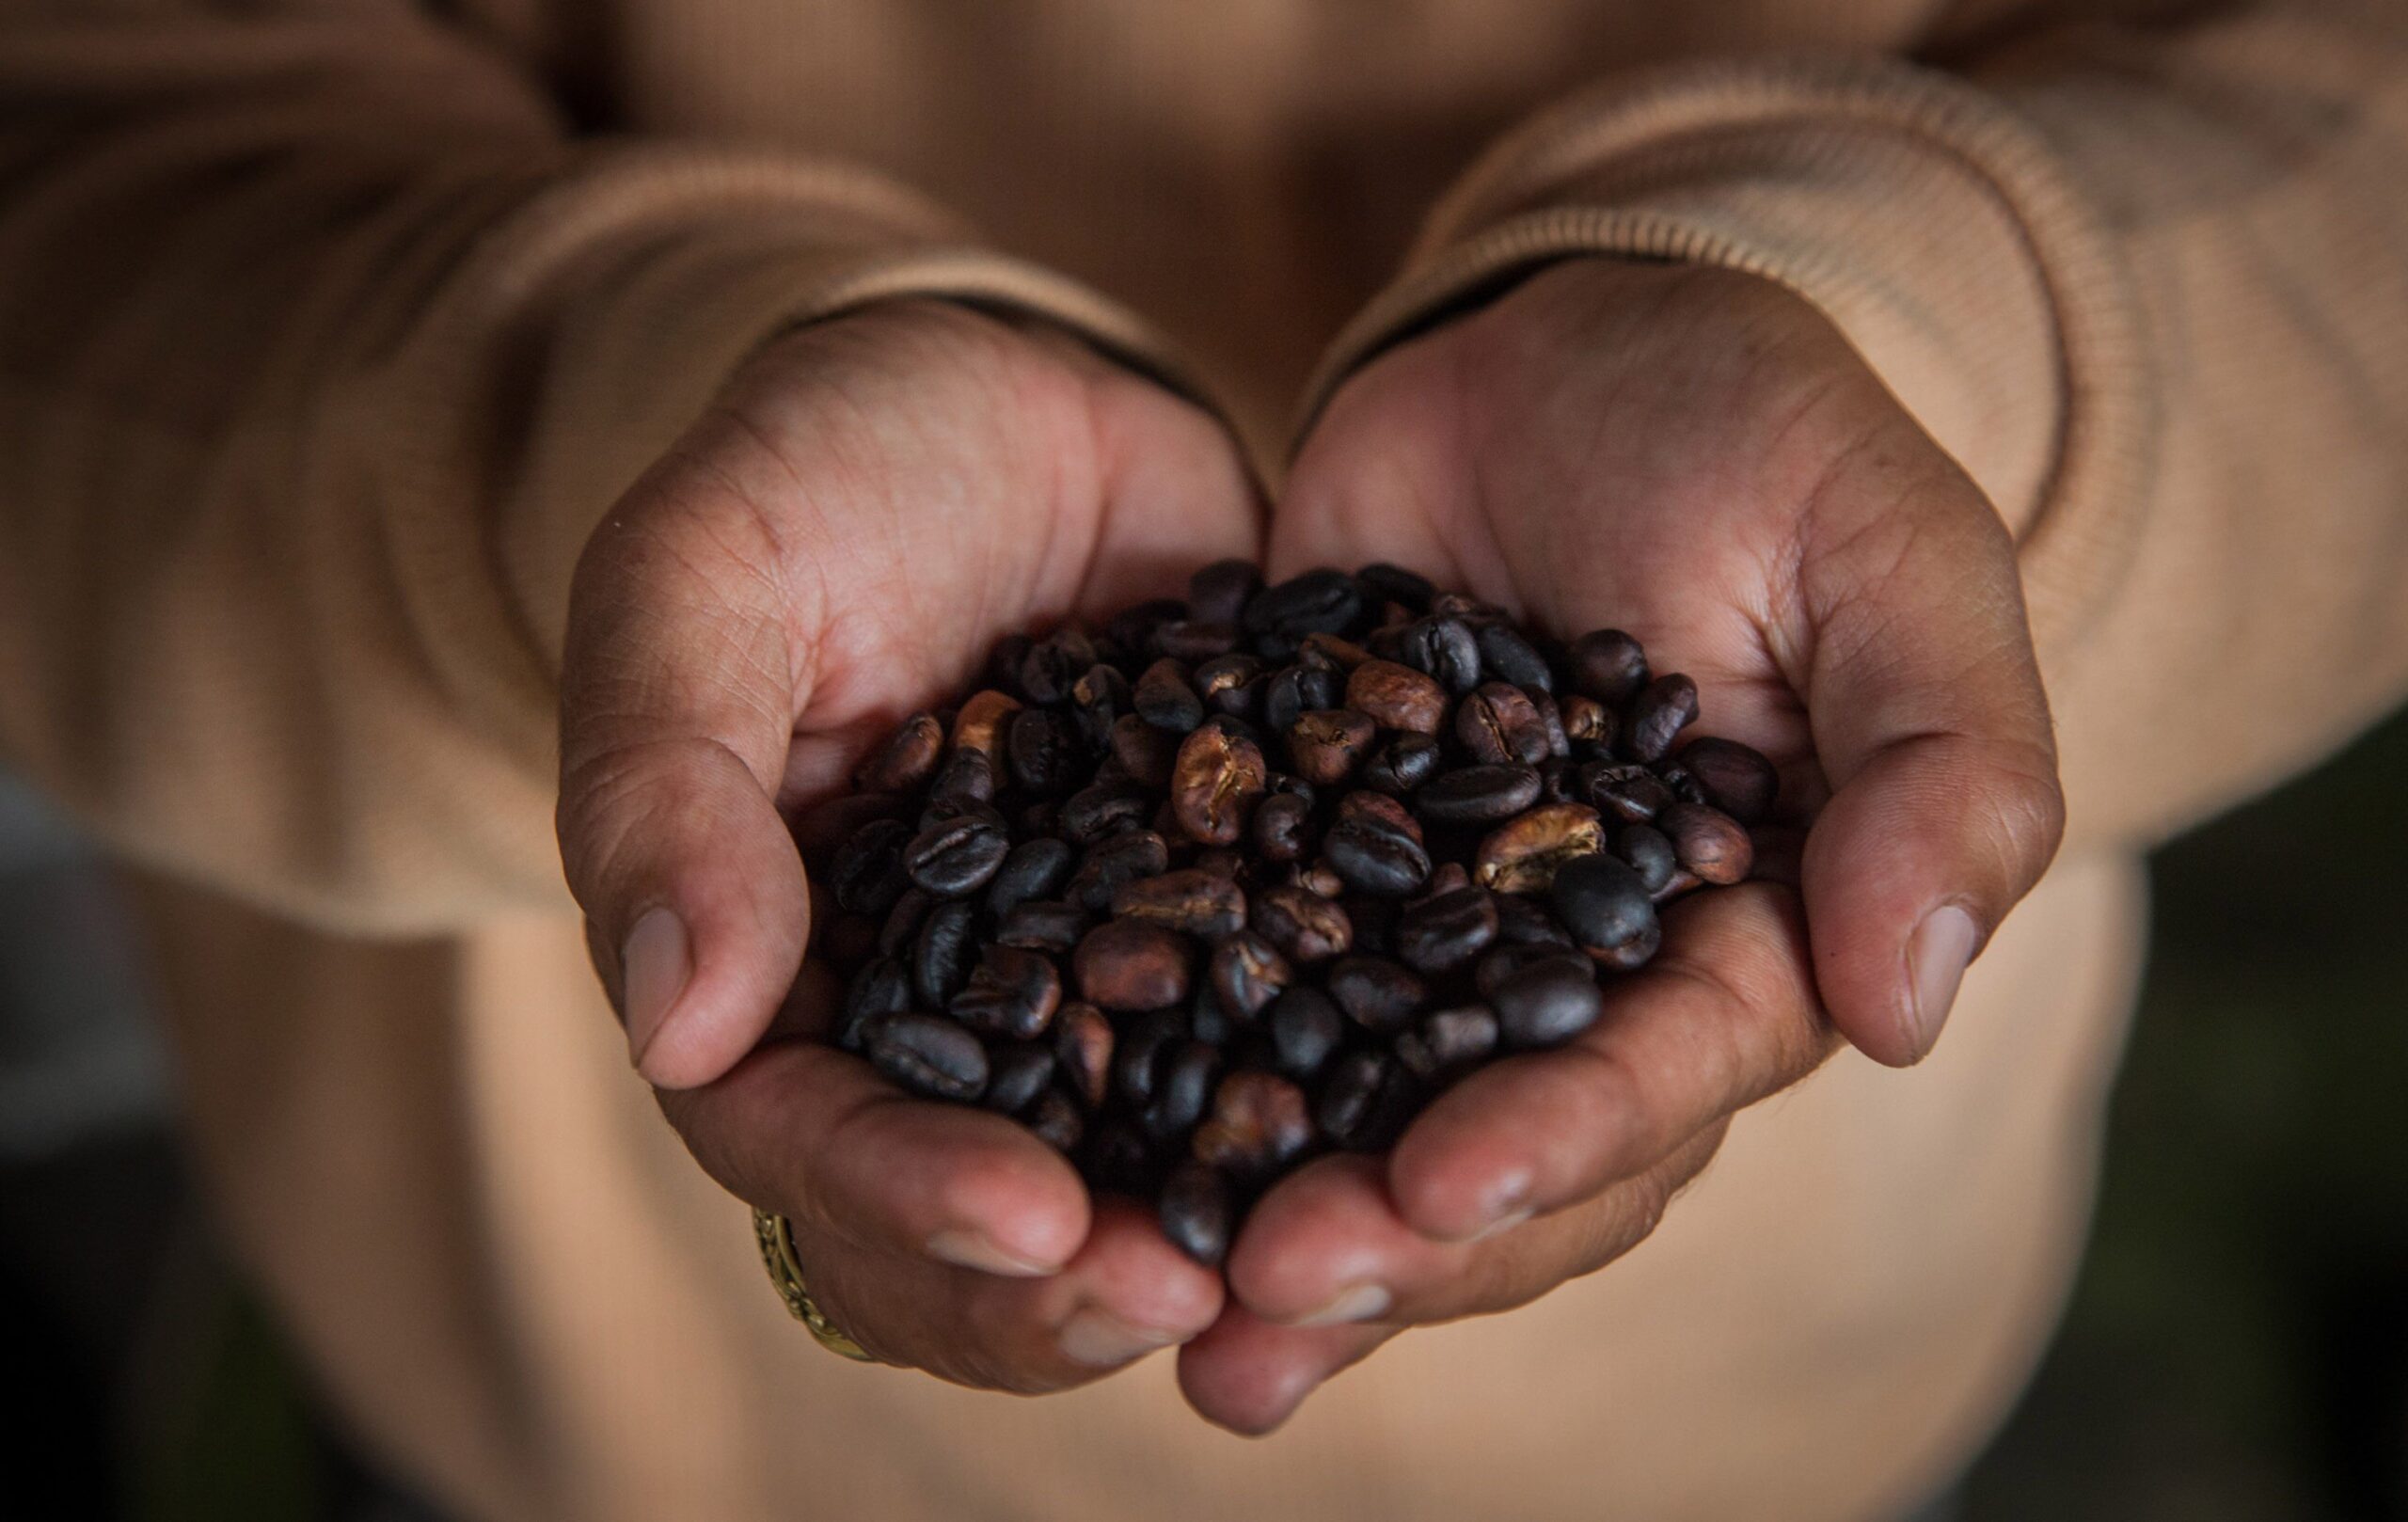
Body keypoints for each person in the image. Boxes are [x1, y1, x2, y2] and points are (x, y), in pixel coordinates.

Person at [3, 1, 2403, 1517]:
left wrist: (1937, 370)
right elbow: (88, 170)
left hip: (1740, 1417)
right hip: (596, 1387)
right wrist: (589, 456)